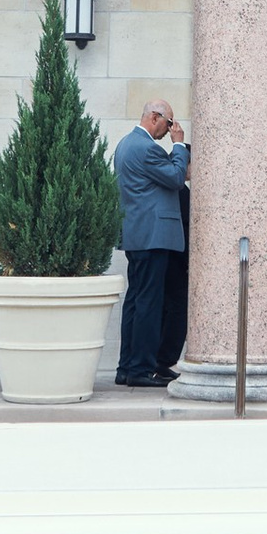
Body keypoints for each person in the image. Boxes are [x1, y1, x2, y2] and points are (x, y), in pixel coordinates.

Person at [111, 101, 190, 387]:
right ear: (155, 117)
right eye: (169, 124)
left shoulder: (124, 144)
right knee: (148, 304)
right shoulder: (146, 148)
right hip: (153, 235)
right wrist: (179, 146)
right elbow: (176, 178)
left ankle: (127, 367)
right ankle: (141, 369)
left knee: (135, 301)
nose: (170, 130)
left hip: (138, 235)